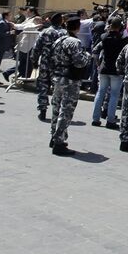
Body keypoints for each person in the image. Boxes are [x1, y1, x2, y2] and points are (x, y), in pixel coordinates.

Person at [49, 18, 89, 157]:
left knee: (56, 108)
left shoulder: (58, 40)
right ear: (77, 28)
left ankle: (54, 136)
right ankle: (58, 142)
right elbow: (79, 62)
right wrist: (87, 56)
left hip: (58, 76)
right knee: (66, 111)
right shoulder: (75, 42)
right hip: (70, 79)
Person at [91, 19, 127, 129]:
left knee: (100, 92)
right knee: (114, 95)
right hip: (117, 70)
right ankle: (110, 120)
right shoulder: (123, 40)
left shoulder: (104, 37)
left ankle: (95, 119)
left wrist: (98, 63)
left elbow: (95, 51)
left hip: (104, 68)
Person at [32, 13, 66, 121]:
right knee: (58, 88)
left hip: (45, 63)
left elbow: (36, 47)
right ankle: (56, 111)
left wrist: (34, 60)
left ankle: (42, 109)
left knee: (43, 86)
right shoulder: (64, 33)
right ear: (61, 21)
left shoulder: (45, 32)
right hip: (58, 64)